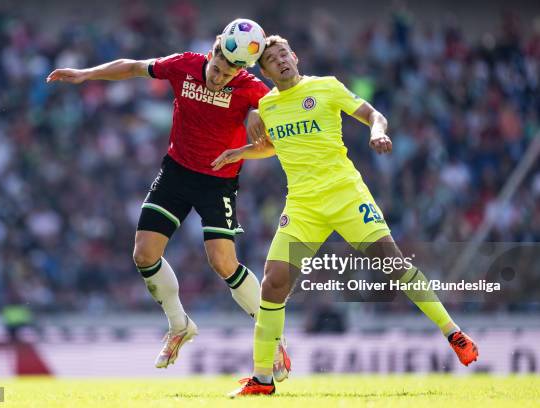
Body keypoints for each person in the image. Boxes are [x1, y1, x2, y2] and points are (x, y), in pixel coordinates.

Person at [211, 35, 479, 397]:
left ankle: (454, 333)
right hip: (303, 205)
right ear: (265, 71)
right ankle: (262, 378)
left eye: (284, 54)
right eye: (272, 60)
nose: (281, 61)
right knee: (273, 282)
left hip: (345, 194)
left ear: (295, 56)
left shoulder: (326, 87)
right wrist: (240, 152)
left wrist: (377, 132)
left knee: (393, 265)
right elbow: (277, 146)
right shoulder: (268, 105)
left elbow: (372, 114)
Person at [46, 33, 290, 375]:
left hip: (218, 180)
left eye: (227, 76)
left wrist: (248, 135)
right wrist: (87, 74)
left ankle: (273, 338)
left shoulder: (253, 90)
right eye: (217, 69)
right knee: (144, 254)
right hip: (176, 172)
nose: (219, 79)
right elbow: (131, 67)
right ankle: (179, 325)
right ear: (211, 53)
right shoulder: (184, 65)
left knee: (222, 262)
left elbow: (274, 146)